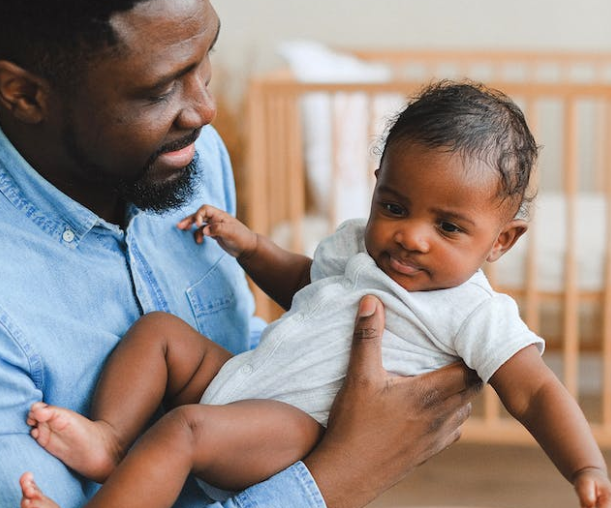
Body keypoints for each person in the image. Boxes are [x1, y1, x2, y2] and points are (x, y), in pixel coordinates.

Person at [20, 82, 611, 508]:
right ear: (376, 184)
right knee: (160, 335)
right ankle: (113, 437)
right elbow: (309, 285)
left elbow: (535, 393)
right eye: (395, 206)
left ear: (501, 242)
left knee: (184, 432)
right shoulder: (361, 246)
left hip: (299, 426)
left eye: (449, 227)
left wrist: (584, 465)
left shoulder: (474, 311)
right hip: (248, 378)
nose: (410, 235)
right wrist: (251, 248)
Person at [0, 1, 479, 507]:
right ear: (25, 95)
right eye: (160, 90)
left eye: (205, 59)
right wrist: (344, 471)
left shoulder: (190, 156)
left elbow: (240, 333)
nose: (206, 110)